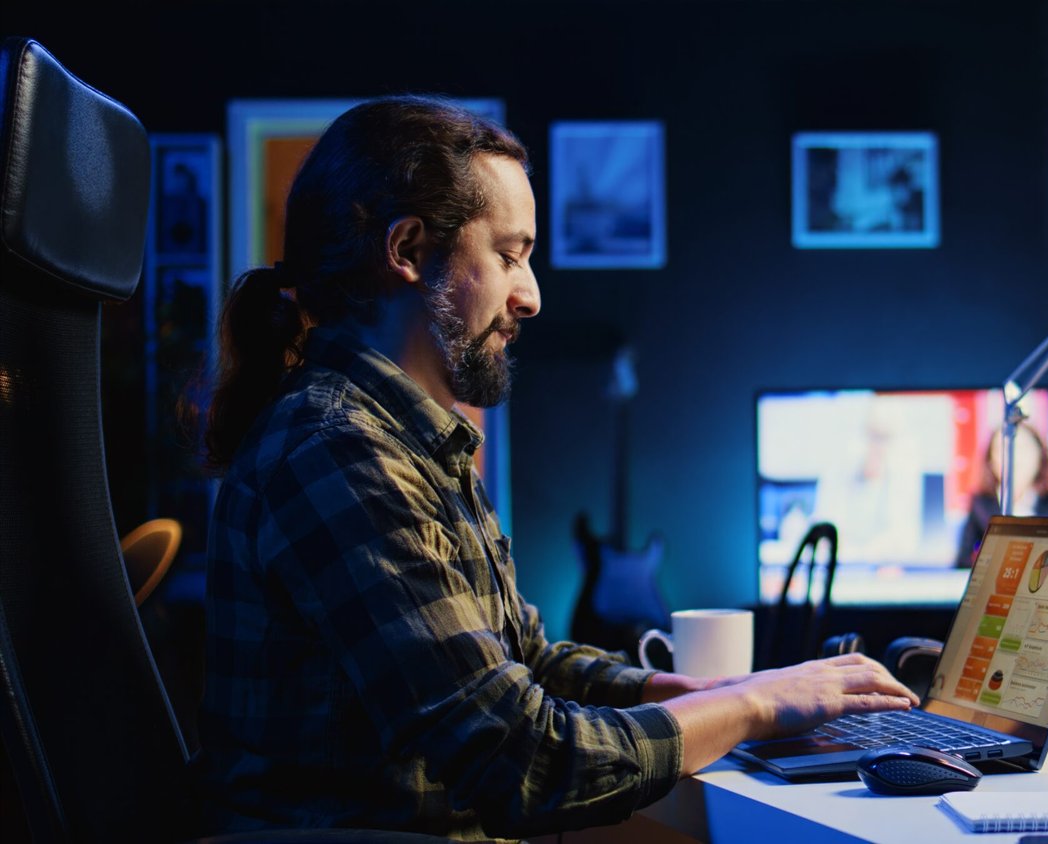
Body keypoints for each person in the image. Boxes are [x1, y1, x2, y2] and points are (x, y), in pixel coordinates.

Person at [191, 96, 917, 839]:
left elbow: (523, 660)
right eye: (508, 255)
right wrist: (753, 708)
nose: (531, 296)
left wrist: (694, 690)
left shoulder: (407, 441)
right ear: (407, 250)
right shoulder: (339, 451)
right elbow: (522, 759)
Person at [953, 423, 1048, 568]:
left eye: (1023, 449)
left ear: (1040, 455)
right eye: (1003, 449)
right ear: (991, 460)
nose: (1014, 458)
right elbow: (962, 562)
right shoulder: (980, 504)